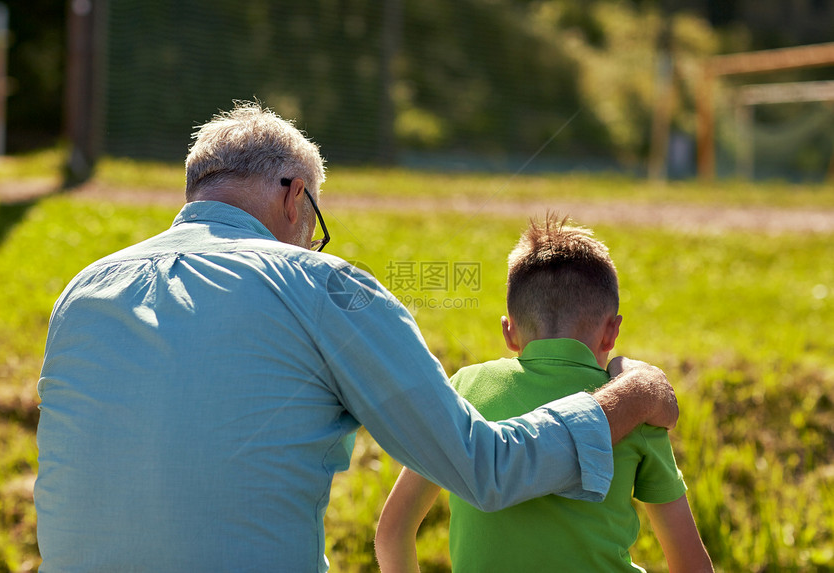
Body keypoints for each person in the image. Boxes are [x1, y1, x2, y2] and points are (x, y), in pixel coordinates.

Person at [35, 101, 679, 572]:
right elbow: (485, 468)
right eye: (315, 218)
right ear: (294, 198)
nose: (312, 238)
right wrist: (631, 396)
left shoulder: (82, 292)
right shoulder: (321, 285)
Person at [375, 214, 713, 572]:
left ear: (509, 333)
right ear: (611, 332)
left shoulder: (465, 389)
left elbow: (393, 531)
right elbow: (691, 565)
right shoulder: (636, 411)